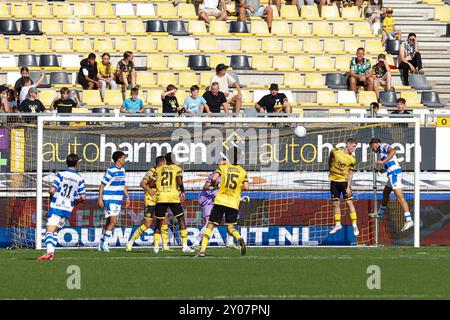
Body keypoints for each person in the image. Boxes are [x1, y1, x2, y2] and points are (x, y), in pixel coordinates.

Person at [197, 146, 248, 257]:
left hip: (220, 201)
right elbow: (246, 187)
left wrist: (217, 185)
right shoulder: (243, 172)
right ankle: (239, 238)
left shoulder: (223, 167)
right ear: (239, 157)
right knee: (230, 227)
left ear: (228, 157)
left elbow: (214, 178)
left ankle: (202, 251)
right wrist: (237, 188)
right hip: (233, 203)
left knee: (210, 225)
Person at [37, 154, 86, 261]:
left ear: (66, 162)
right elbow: (83, 197)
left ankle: (49, 252)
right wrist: (74, 203)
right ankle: (51, 254)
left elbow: (52, 190)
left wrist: (51, 197)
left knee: (49, 231)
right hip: (68, 208)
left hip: (57, 205)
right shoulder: (80, 178)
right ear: (77, 163)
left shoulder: (60, 174)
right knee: (55, 231)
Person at [148, 152, 195, 253]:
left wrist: (161, 187)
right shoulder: (177, 168)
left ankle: (156, 247)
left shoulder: (158, 169)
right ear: (173, 159)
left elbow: (151, 184)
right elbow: (179, 181)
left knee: (159, 222)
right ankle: (185, 246)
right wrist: (182, 191)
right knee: (181, 219)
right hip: (173, 197)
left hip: (161, 197)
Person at [191, 159, 241, 250]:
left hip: (221, 201)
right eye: (223, 164)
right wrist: (217, 185)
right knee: (209, 223)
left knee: (229, 221)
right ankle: (196, 242)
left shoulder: (229, 175)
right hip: (208, 201)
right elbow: (205, 187)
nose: (226, 166)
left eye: (226, 164)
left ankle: (229, 242)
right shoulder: (214, 175)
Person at [126, 156, 171, 252]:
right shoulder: (152, 171)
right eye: (165, 163)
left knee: (164, 220)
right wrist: (148, 189)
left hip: (161, 198)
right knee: (147, 224)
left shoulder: (165, 172)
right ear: (162, 163)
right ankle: (130, 242)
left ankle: (164, 245)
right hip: (150, 200)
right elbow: (142, 183)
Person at [368, 138, 414, 232]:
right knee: (386, 192)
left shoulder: (383, 146)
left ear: (375, 144)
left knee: (400, 197)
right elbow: (391, 162)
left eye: (372, 147)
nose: (372, 149)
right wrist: (383, 169)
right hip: (391, 174)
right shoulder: (381, 151)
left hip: (394, 174)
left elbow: (393, 151)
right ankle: (380, 214)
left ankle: (409, 220)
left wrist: (383, 162)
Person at [98, 151, 130, 252]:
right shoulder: (111, 170)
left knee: (108, 222)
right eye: (123, 157)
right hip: (109, 198)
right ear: (119, 159)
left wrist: (127, 196)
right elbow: (102, 184)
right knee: (113, 221)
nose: (124, 159)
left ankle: (101, 243)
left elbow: (123, 185)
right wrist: (100, 198)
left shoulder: (123, 170)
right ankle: (105, 244)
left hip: (118, 199)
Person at [328, 138, 359, 237]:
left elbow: (351, 173)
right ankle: (338, 224)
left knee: (349, 203)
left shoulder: (352, 159)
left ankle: (354, 224)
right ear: (348, 145)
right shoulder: (335, 151)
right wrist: (330, 166)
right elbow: (330, 156)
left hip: (344, 183)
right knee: (335, 204)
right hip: (334, 182)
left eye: (355, 147)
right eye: (353, 146)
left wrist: (349, 186)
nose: (354, 149)